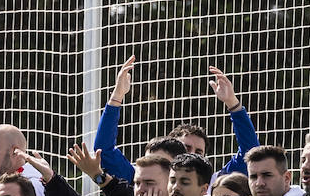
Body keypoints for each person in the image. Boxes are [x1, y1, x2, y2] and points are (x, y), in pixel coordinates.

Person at [94, 56, 261, 179]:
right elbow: (104, 151)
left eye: (199, 152)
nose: (192, 155)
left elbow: (251, 153)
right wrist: (117, 97)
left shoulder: (212, 185)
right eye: (186, 148)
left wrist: (233, 103)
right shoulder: (142, 179)